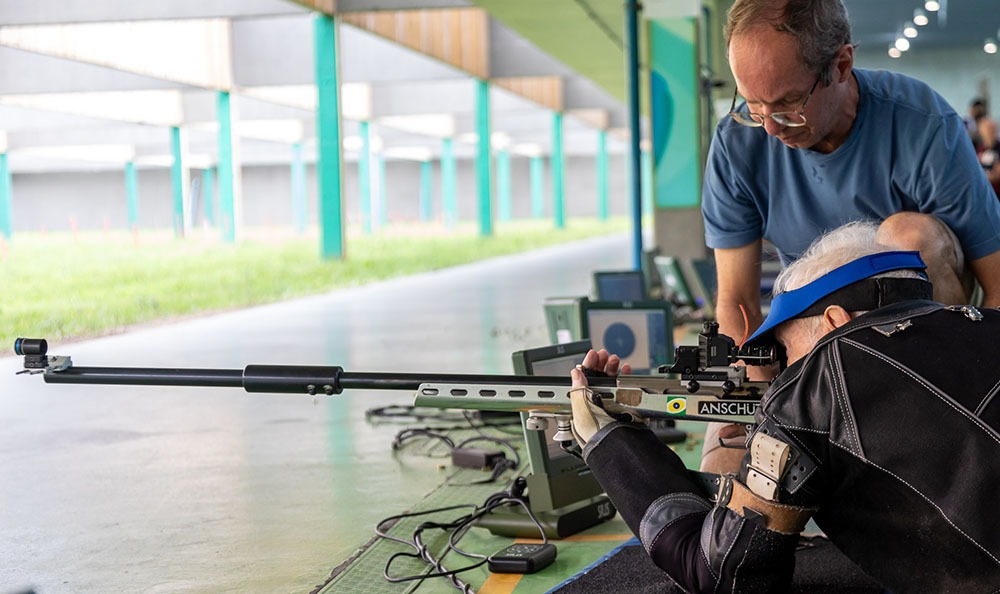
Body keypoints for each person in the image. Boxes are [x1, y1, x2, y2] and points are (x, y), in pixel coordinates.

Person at [568, 221, 1000, 593]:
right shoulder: (986, 323)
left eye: (784, 350)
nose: (780, 374)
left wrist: (612, 441)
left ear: (834, 322)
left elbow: (726, 576)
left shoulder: (823, 374)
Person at [700, 0, 1000, 474]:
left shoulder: (923, 125)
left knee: (907, 234)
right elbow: (736, 301)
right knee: (721, 478)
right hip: (810, 344)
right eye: (752, 107)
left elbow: (997, 283)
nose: (771, 128)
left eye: (787, 105)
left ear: (841, 65)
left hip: (918, 345)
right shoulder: (737, 144)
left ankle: (935, 415)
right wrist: (755, 402)